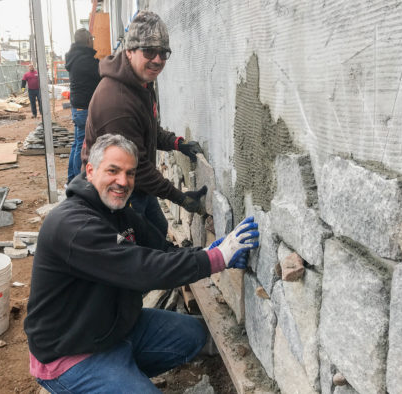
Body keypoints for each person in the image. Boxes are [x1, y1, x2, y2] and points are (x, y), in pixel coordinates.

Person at [24, 133, 259, 393]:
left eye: (130, 173)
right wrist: (217, 258)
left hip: (113, 328)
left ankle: (121, 376)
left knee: (193, 335)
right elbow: (144, 268)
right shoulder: (74, 226)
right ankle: (103, 381)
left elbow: (160, 249)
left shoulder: (118, 211)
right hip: (70, 352)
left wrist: (206, 251)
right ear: (90, 171)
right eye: (113, 170)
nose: (123, 182)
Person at [83, 11, 205, 237]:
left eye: (163, 53)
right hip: (116, 191)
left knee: (158, 231)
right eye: (149, 51)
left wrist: (178, 144)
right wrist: (180, 197)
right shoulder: (117, 102)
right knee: (138, 251)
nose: (158, 59)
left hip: (137, 188)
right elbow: (138, 168)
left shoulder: (140, 83)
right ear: (129, 51)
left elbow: (147, 130)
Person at [64, 28, 101, 184]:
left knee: (77, 144)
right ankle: (77, 182)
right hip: (84, 109)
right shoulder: (84, 60)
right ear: (88, 41)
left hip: (78, 108)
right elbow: (100, 69)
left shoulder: (75, 57)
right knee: (82, 146)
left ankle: (71, 179)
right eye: (91, 39)